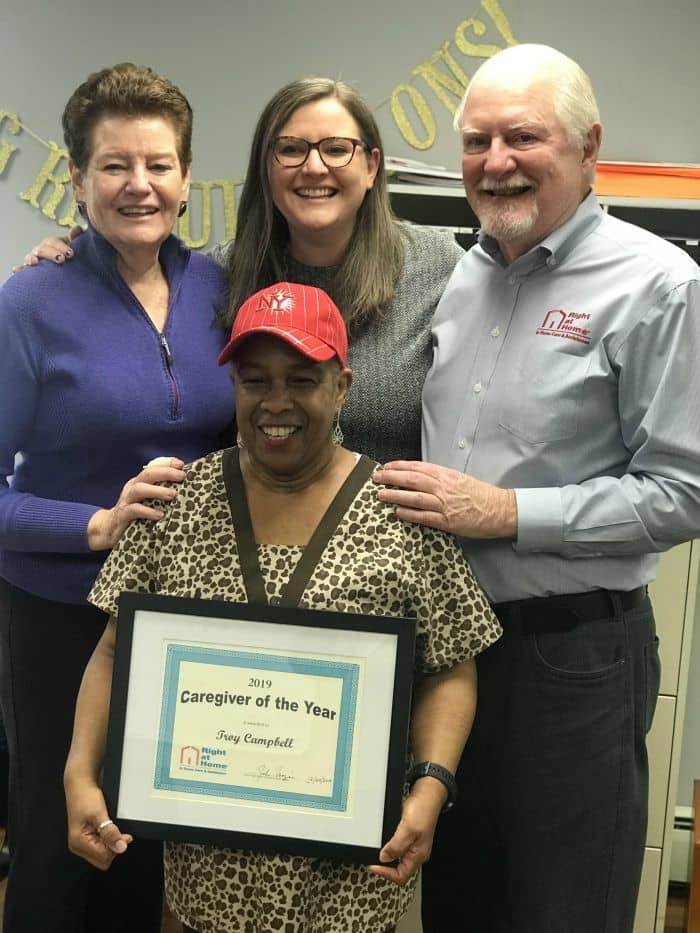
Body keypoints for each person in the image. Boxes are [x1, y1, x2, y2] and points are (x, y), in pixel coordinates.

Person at [374, 43, 700, 933]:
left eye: (524, 137)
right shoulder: (453, 272)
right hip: (449, 656)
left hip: (576, 657)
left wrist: (509, 513)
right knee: (461, 901)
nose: (496, 161)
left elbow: (684, 491)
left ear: (590, 147)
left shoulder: (660, 284)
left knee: (564, 908)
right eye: (477, 142)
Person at [63, 281, 502, 933]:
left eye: (301, 379)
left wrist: (431, 785)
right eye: (253, 380)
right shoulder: (176, 503)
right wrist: (79, 771)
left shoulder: (403, 514)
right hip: (203, 887)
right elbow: (113, 649)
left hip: (349, 891)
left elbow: (449, 667)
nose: (275, 402)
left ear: (342, 386)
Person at [0, 63, 234, 933]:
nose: (139, 184)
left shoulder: (221, 287)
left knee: (148, 851)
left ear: (185, 177)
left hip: (180, 619)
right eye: (113, 165)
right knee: (59, 846)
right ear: (76, 178)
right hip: (59, 612)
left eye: (159, 164)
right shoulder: (30, 300)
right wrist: (94, 524)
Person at [19, 76, 465, 465]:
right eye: (290, 149)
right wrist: (76, 254)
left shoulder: (440, 267)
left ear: (371, 166)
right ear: (266, 168)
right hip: (249, 547)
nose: (314, 167)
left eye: (336, 149)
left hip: (392, 547)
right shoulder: (224, 276)